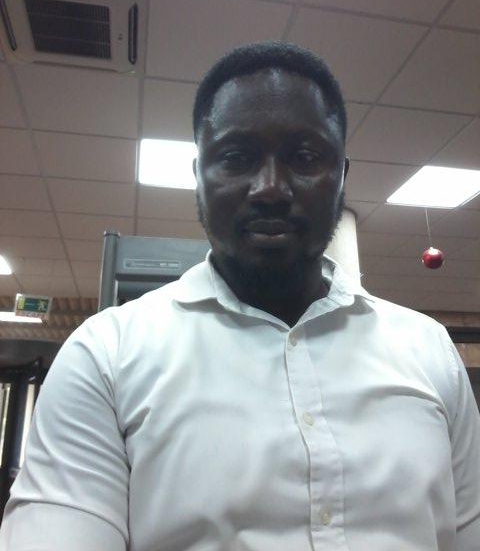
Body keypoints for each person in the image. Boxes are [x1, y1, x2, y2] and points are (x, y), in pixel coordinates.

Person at [0, 41, 479, 551]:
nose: (270, 188)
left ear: (341, 177)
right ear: (198, 178)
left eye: (304, 157)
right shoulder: (104, 356)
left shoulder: (429, 351)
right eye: (236, 157)